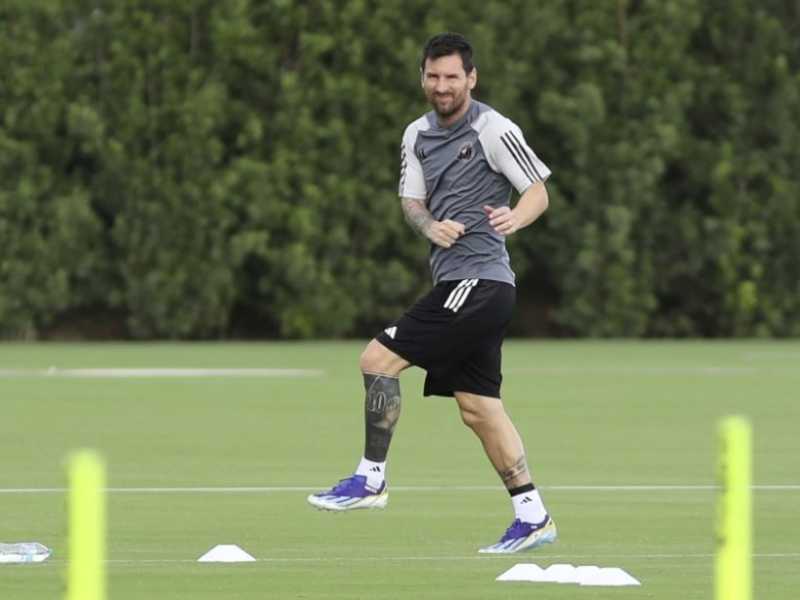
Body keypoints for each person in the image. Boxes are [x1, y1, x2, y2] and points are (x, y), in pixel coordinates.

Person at [308, 32, 555, 554]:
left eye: (452, 77)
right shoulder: (415, 135)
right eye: (433, 76)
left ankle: (370, 478)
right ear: (423, 77)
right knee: (478, 408)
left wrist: (516, 216)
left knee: (377, 358)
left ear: (471, 78)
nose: (442, 86)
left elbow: (537, 189)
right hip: (460, 284)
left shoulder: (493, 128)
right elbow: (412, 200)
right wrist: (429, 227)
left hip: (482, 282)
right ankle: (532, 515)